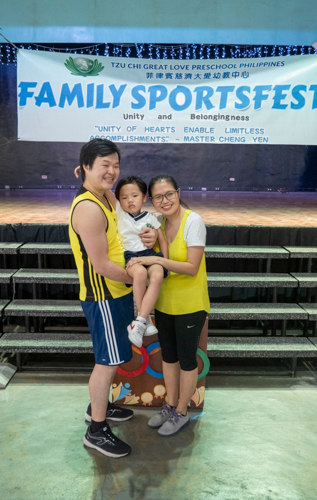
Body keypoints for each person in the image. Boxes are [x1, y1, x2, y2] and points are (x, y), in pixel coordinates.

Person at [69, 138, 155, 458]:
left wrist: (91, 173)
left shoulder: (103, 194)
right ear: (88, 168)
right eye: (104, 165)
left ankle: (98, 408)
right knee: (107, 362)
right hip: (103, 295)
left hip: (115, 291)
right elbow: (101, 264)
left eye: (116, 165)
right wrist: (135, 275)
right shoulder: (89, 209)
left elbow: (92, 175)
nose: (112, 172)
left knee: (116, 356)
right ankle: (97, 430)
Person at [126, 174, 210, 437]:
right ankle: (169, 405)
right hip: (164, 305)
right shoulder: (158, 224)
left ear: (178, 192)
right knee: (170, 359)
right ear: (151, 200)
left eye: (169, 194)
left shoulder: (193, 221)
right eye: (158, 197)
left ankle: (182, 412)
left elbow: (191, 267)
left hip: (191, 305)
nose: (165, 201)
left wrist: (157, 262)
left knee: (186, 361)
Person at [114, 176, 168, 348]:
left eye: (135, 195)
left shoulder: (151, 217)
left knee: (158, 273)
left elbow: (163, 240)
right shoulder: (120, 214)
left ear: (144, 197)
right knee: (140, 272)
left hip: (150, 254)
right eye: (124, 197)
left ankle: (140, 321)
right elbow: (104, 191)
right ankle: (145, 319)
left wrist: (165, 261)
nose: (129, 200)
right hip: (131, 257)